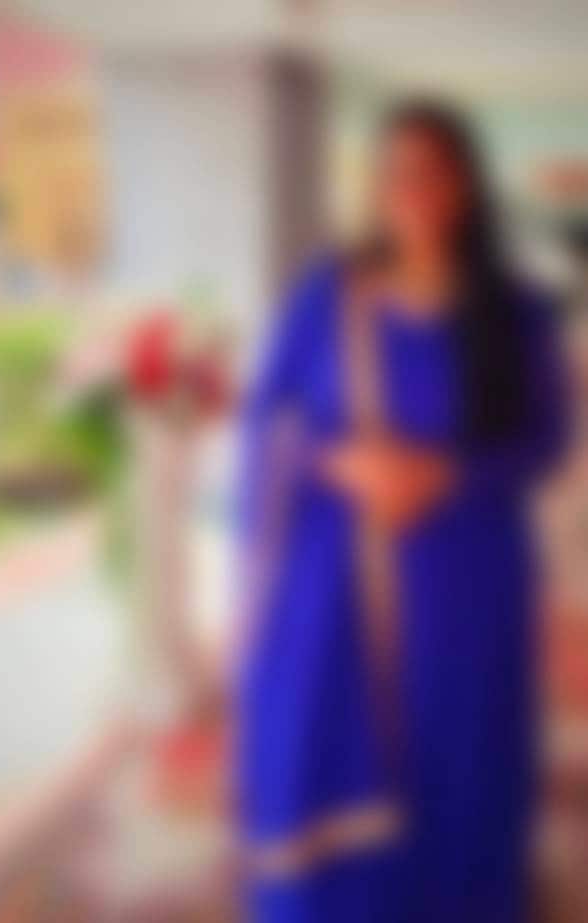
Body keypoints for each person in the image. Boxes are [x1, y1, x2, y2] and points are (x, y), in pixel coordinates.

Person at [235, 99, 567, 922]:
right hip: (340, 581)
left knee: (461, 756)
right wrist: (335, 460)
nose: (412, 188)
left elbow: (549, 440)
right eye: (395, 173)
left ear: (465, 185)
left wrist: (447, 474)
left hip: (470, 581)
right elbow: (267, 416)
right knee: (333, 748)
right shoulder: (328, 296)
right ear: (376, 188)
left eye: (431, 171)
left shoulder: (517, 312)